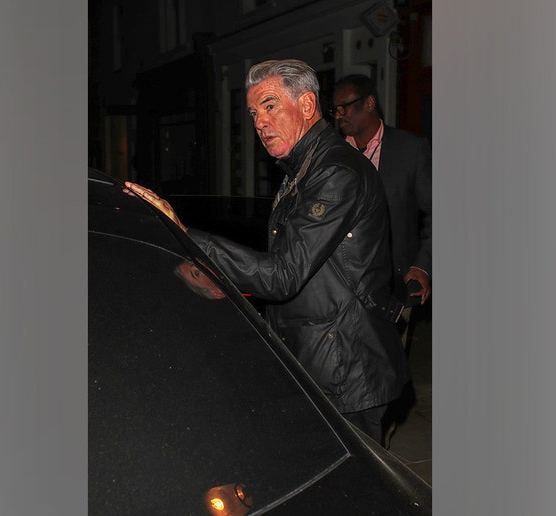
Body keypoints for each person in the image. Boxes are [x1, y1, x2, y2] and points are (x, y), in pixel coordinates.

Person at [125, 59, 408, 444]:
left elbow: (282, 275)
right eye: (254, 112)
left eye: (270, 105)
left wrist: (181, 232)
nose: (259, 122)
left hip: (345, 368)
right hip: (320, 359)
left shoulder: (335, 172)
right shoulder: (303, 169)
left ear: (307, 106)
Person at [332, 74, 432, 340]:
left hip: (393, 288)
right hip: (341, 289)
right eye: (336, 109)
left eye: (346, 106)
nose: (339, 115)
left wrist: (422, 266)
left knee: (389, 374)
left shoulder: (410, 149)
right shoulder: (333, 155)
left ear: (369, 103)